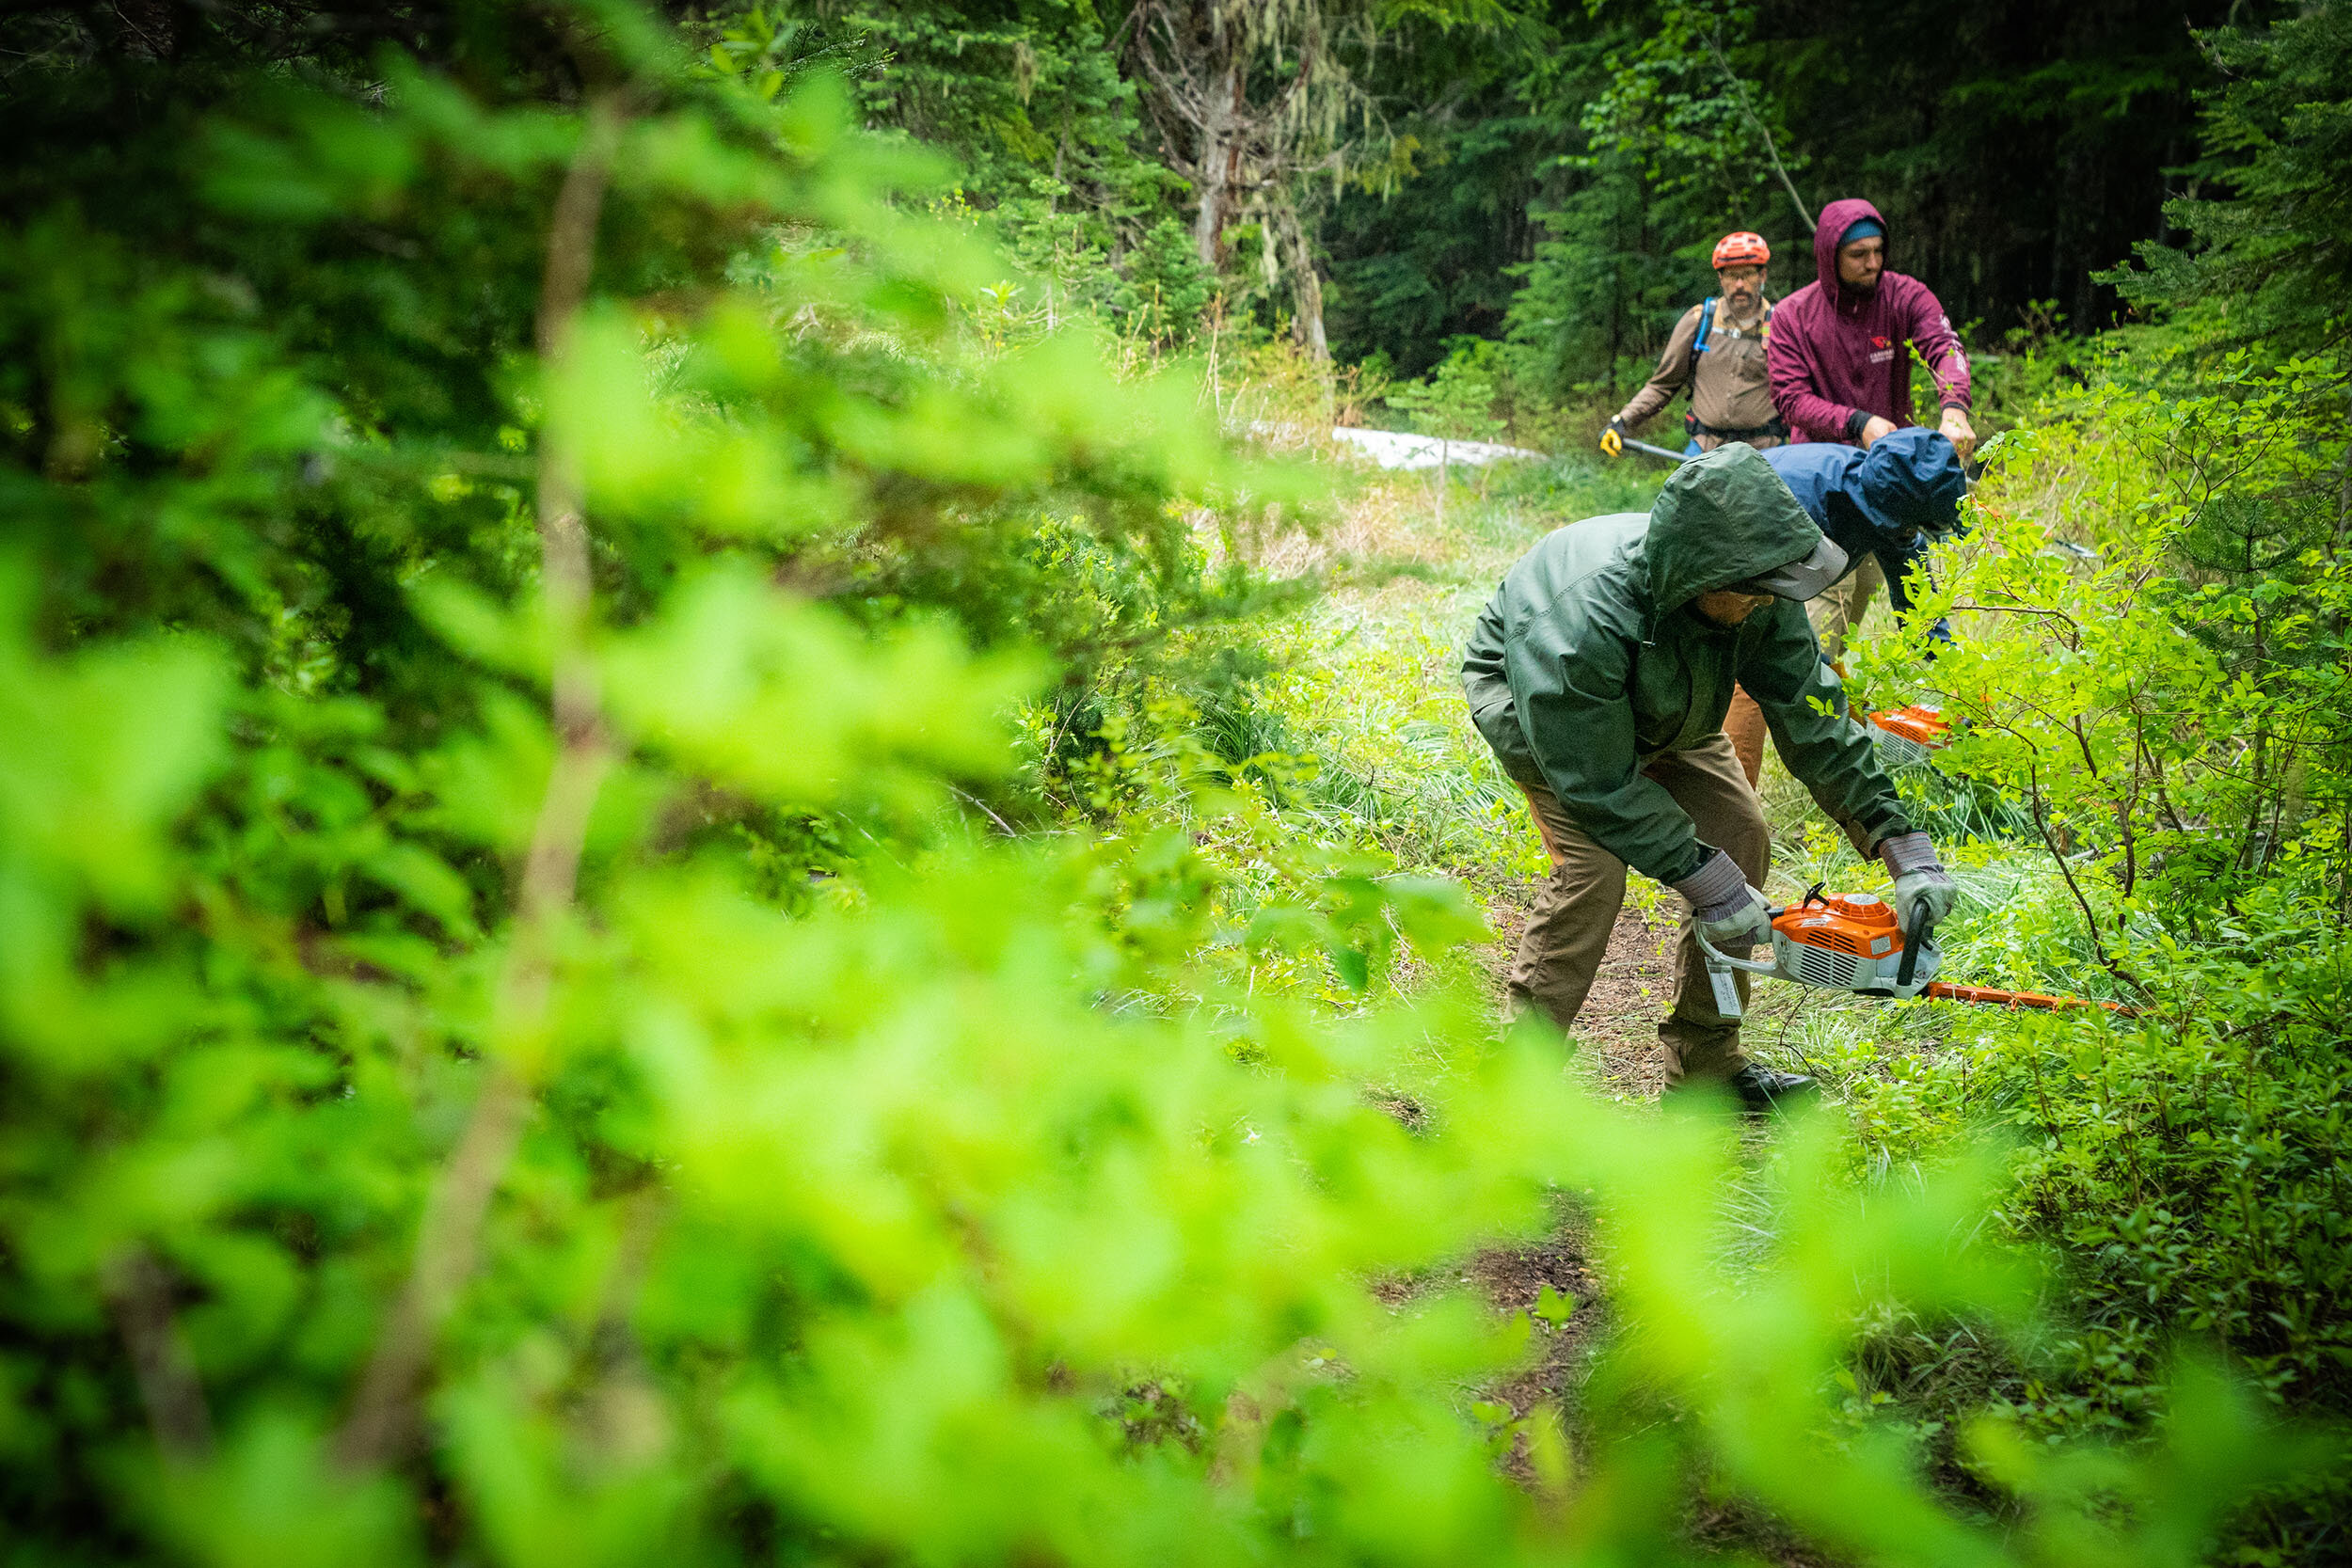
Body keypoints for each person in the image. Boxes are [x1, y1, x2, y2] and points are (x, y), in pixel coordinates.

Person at [1460, 446, 1955, 1111]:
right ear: (1703, 573)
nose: (1764, 604)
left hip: (1670, 706)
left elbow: (1815, 721)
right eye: (1752, 592)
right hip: (1545, 711)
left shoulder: (1755, 591)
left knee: (1741, 834)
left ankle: (1707, 1067)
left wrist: (1902, 845)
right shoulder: (1584, 623)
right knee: (1594, 873)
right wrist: (1704, 878)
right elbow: (1598, 782)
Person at [1765, 199, 1976, 665]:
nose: (1873, 263)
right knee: (1827, 619)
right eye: (1859, 254)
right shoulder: (1793, 316)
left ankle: (1857, 708)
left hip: (1890, 483)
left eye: (1879, 250)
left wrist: (1955, 407)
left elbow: (1944, 348)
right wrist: (1858, 423)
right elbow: (1790, 399)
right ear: (1830, 255)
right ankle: (1810, 713)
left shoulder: (1904, 296)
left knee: (1897, 600)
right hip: (1824, 494)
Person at [1721, 429, 1969, 785]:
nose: (1914, 535)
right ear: (1896, 515)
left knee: (1820, 674)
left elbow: (1920, 614)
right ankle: (1730, 808)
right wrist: (1822, 677)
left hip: (1774, 570)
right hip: (1728, 560)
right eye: (1914, 526)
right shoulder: (1805, 507)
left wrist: (1959, 678)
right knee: (1751, 676)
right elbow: (1779, 631)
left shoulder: (1887, 505)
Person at [1602, 232, 1783, 459]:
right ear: (1720, 279)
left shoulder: (1782, 326)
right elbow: (1662, 385)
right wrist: (1622, 420)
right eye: (1731, 276)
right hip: (1705, 448)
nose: (1739, 284)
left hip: (1763, 452)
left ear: (1762, 275)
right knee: (1677, 495)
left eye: (1747, 275)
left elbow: (1798, 394)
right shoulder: (1699, 321)